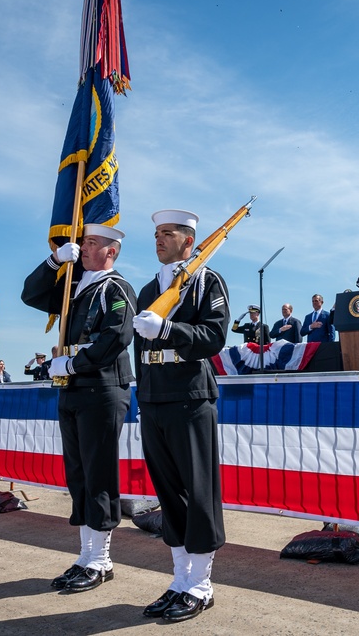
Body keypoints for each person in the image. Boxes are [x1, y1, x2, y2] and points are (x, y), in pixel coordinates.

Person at [21, 224, 137, 592]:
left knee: (98, 473)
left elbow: (116, 336)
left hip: (100, 387)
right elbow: (31, 294)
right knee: (79, 475)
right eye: (83, 242)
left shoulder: (116, 288)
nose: (83, 248)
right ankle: (86, 556)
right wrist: (54, 260)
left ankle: (101, 560)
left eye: (91, 243)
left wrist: (72, 365)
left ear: (111, 251)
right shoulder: (76, 286)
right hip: (73, 387)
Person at [132, 209, 229, 623]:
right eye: (156, 233)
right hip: (154, 399)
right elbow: (140, 348)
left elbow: (214, 336)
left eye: (167, 233)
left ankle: (201, 585)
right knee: (169, 494)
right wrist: (143, 394)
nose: (158, 239)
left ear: (189, 241)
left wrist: (168, 331)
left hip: (190, 396)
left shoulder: (207, 280)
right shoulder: (149, 288)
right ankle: (179, 580)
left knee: (198, 491)